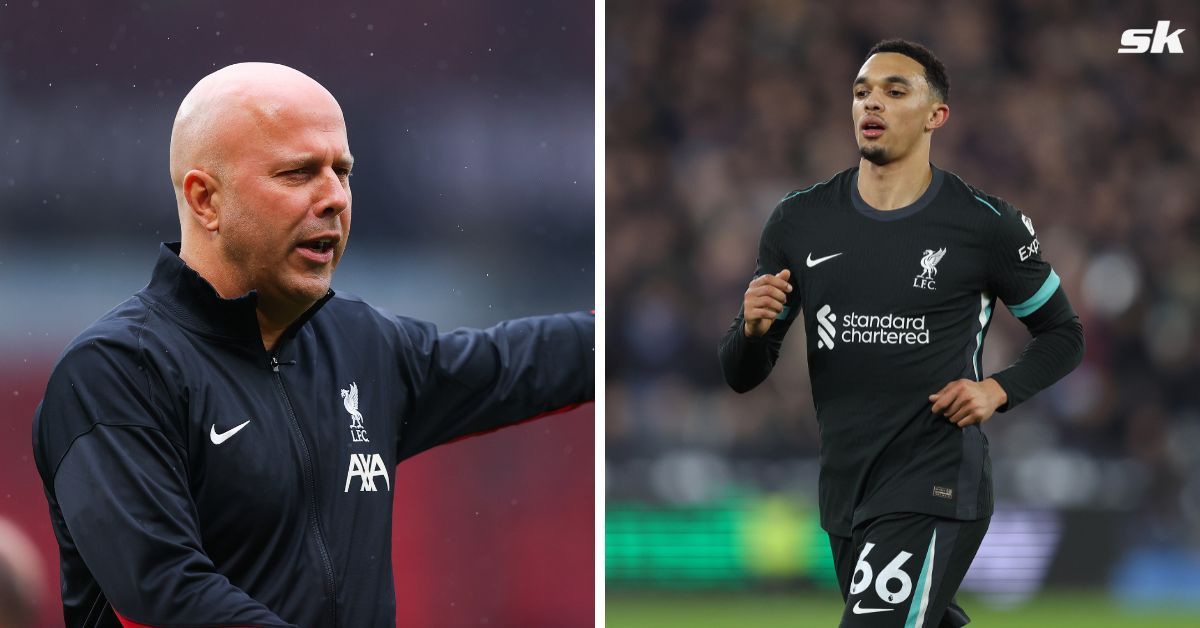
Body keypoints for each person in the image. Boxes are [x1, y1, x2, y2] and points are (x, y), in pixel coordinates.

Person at [32, 62, 594, 628]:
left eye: (342, 172)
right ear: (206, 200)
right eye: (298, 173)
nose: (334, 198)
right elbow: (163, 592)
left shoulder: (362, 344)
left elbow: (514, 365)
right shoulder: (117, 372)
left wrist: (640, 333)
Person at [718, 40, 1083, 628]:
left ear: (936, 114)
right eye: (862, 91)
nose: (872, 103)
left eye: (894, 91)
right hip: (846, 489)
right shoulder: (800, 220)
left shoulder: (985, 225)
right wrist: (754, 330)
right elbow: (741, 374)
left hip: (933, 479)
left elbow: (1064, 333)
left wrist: (997, 390)